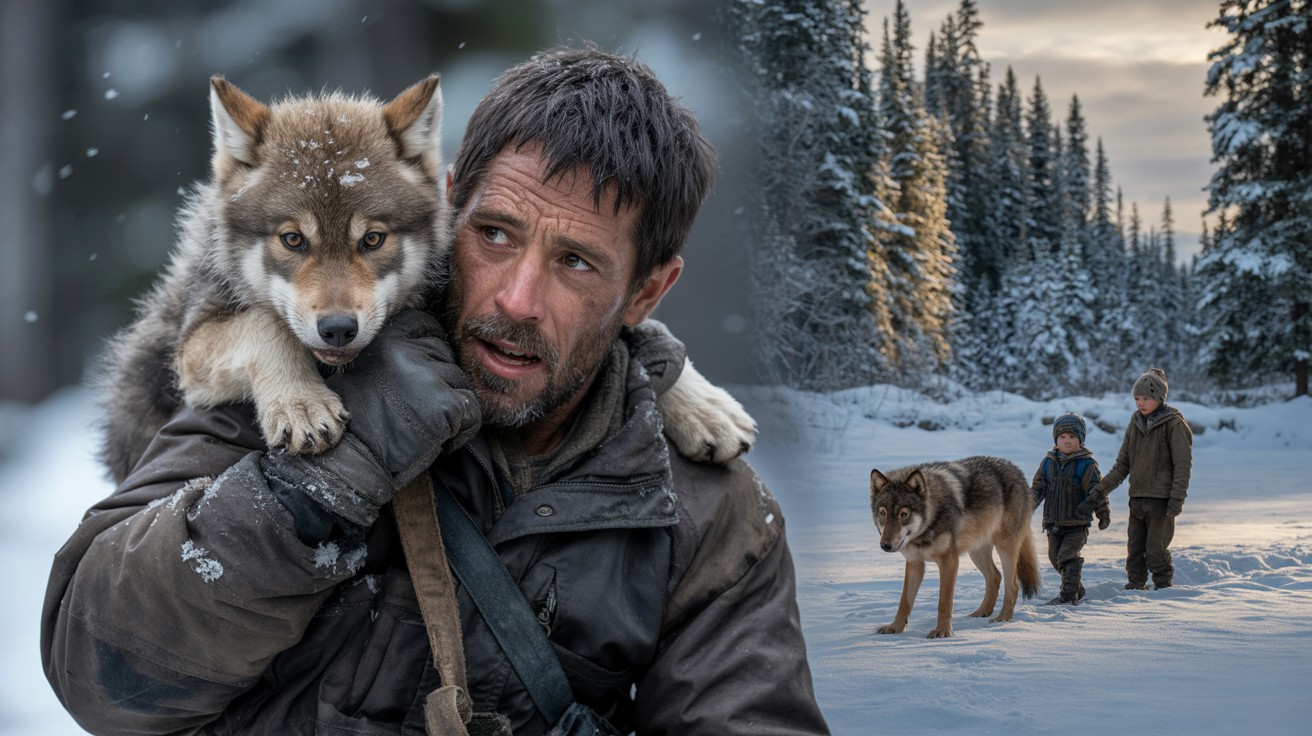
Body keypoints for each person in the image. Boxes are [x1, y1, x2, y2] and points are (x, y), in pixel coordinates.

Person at [41, 47, 829, 736]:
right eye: (495, 234)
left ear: (646, 295)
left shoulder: (709, 518)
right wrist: (317, 483)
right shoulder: (292, 370)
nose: (516, 299)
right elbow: (96, 675)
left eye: (577, 263)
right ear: (450, 205)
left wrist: (668, 376)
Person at [1077, 368, 1193, 590]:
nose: (1140, 403)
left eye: (1146, 398)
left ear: (1159, 398)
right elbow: (1122, 465)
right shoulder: (1135, 422)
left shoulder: (1174, 423)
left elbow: (1183, 465)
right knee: (1135, 549)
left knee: (1156, 549)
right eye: (1137, 398)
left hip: (1161, 501)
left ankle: (1163, 587)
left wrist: (1177, 498)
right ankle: (1135, 586)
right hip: (1137, 499)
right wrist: (1099, 492)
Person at [1031, 414, 1109, 605]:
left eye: (1072, 437)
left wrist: (1102, 512)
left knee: (1067, 557)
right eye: (1062, 437)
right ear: (1056, 440)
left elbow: (1096, 491)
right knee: (1055, 558)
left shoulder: (1087, 464)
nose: (1067, 441)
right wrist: (1024, 508)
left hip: (1077, 522)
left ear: (1081, 440)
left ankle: (1068, 597)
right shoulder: (1048, 462)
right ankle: (1077, 589)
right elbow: (1038, 487)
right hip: (1053, 522)